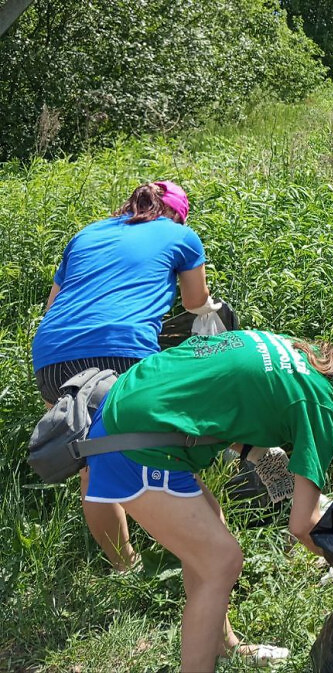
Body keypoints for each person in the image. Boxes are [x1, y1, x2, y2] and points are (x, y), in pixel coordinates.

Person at [84, 329, 333, 671]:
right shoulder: (323, 403)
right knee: (222, 561)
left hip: (127, 404)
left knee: (210, 524)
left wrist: (258, 454)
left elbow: (222, 389)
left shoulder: (292, 349)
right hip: (136, 442)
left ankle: (223, 644)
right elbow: (303, 525)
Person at [32, 180, 214, 571]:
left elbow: (54, 305)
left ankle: (126, 567)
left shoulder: (86, 233)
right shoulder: (181, 236)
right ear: (176, 215)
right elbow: (195, 303)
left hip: (50, 357)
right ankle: (200, 553)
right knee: (164, 448)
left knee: (93, 465)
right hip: (121, 352)